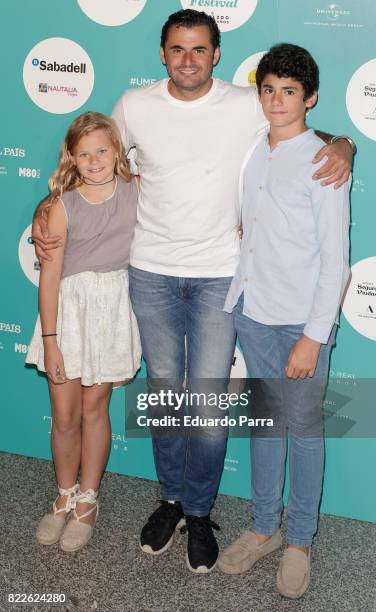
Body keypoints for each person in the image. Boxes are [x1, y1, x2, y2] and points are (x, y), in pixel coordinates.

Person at [32, 10, 354, 573]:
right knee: (164, 398)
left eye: (199, 49)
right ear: (162, 54)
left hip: (219, 280)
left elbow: (295, 129)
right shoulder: (136, 106)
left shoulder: (242, 105)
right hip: (149, 273)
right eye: (177, 49)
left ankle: (201, 512)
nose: (188, 59)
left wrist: (345, 144)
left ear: (216, 55)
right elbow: (92, 151)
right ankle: (172, 501)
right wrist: (49, 201)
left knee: (206, 406)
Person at [219, 44, 350, 598]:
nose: (277, 100)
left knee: (305, 431)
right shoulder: (252, 149)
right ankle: (262, 527)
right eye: (268, 89)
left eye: (289, 92)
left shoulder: (324, 160)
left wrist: (314, 338)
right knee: (265, 426)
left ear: (310, 98)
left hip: (301, 323)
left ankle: (299, 540)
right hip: (252, 311)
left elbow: (335, 257)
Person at [26, 112, 141, 552]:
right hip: (69, 316)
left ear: (117, 151)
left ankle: (88, 500)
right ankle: (64, 494)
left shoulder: (137, 192)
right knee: (66, 414)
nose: (94, 161)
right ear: (71, 158)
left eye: (102, 151)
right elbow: (50, 279)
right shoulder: (61, 205)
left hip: (112, 309)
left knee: (96, 409)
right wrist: (51, 342)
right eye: (84, 154)